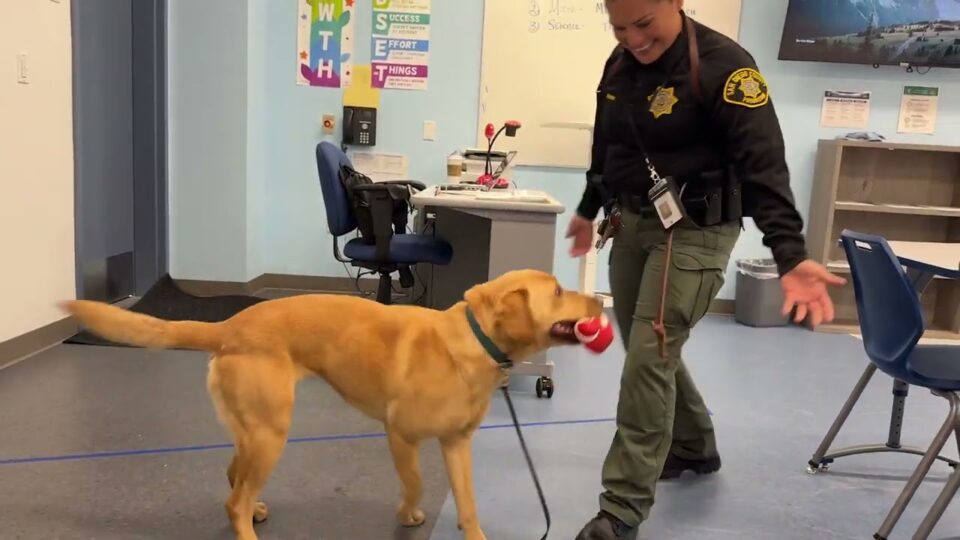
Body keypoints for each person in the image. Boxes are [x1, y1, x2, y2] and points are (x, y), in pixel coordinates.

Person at [566, 1, 846, 538]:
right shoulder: (619, 63)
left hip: (695, 228)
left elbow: (764, 164)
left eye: (644, 24)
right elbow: (608, 146)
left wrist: (790, 253)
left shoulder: (726, 68)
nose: (633, 39)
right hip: (633, 218)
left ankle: (620, 509)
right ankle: (694, 446)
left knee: (650, 352)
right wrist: (587, 207)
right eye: (619, 27)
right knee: (648, 344)